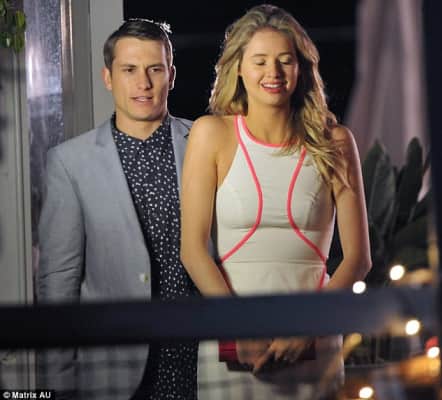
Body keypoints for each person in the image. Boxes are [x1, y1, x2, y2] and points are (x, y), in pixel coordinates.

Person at [180, 4, 372, 400]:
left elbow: (358, 259)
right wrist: (239, 328)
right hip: (233, 342)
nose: (274, 72)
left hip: (314, 343)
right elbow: (193, 250)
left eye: (285, 60)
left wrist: (310, 328)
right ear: (238, 68)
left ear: (301, 68)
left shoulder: (336, 142)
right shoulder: (210, 134)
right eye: (260, 61)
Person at [37, 19, 198, 400]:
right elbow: (59, 283)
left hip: (201, 361)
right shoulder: (69, 163)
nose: (143, 83)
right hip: (114, 371)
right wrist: (59, 387)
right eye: (129, 70)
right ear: (108, 77)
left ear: (171, 75)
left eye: (154, 69)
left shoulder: (205, 144)